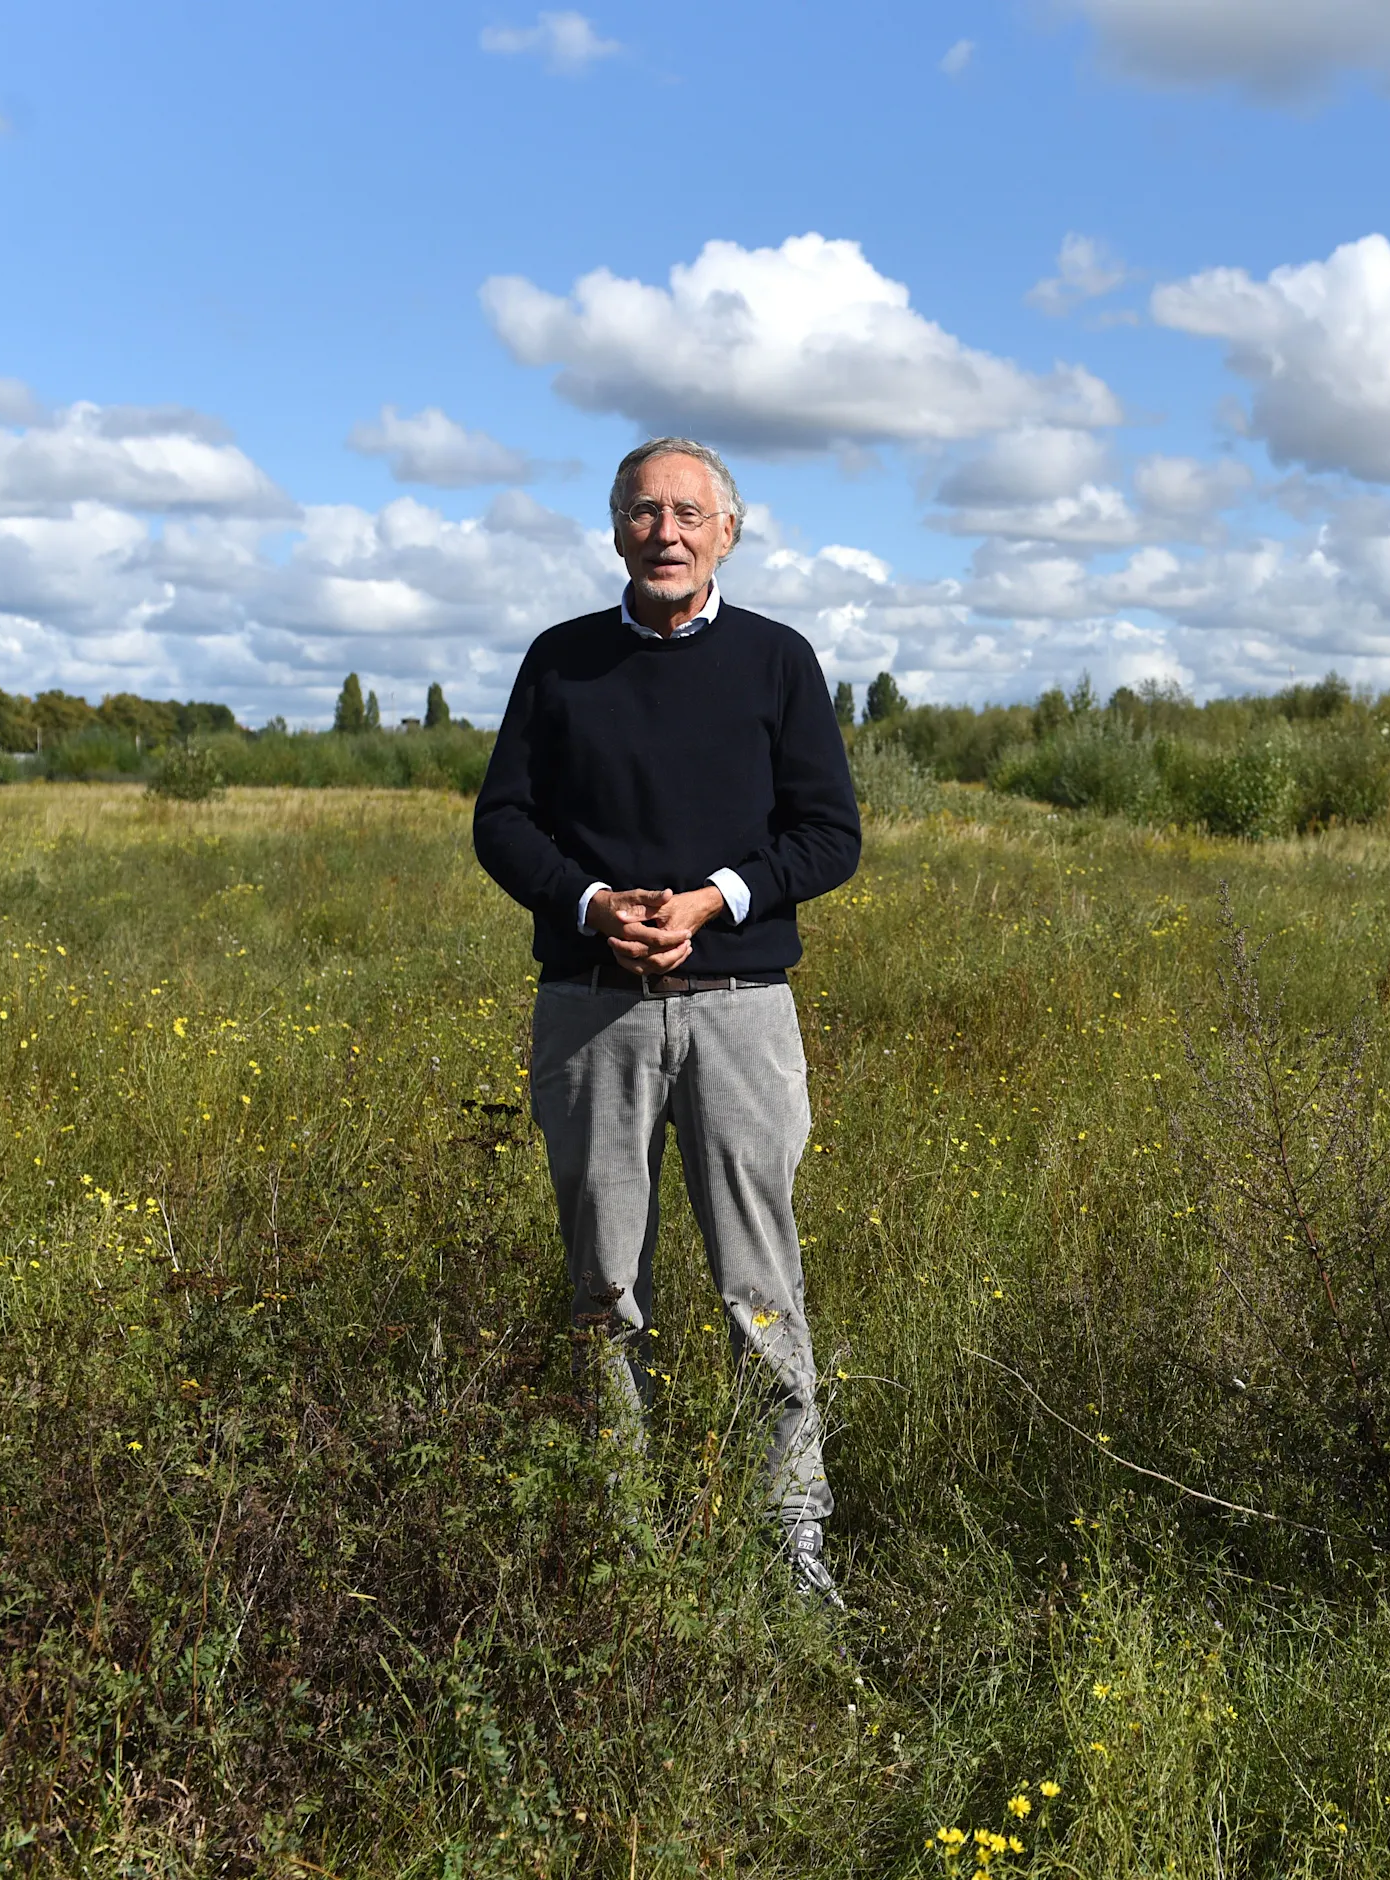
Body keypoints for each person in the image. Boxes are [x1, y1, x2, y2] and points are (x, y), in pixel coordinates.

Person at [472, 436, 862, 1605]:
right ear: (614, 530)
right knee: (603, 1283)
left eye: (689, 512)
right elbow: (503, 821)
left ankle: (790, 1534)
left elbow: (827, 834)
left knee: (758, 1281)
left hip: (739, 1010)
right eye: (643, 511)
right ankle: (622, 1531)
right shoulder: (559, 660)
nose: (666, 532)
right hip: (592, 1010)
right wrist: (592, 904)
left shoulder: (776, 660)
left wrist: (710, 899)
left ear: (726, 532)